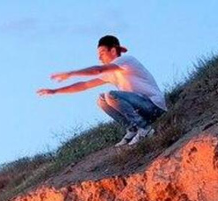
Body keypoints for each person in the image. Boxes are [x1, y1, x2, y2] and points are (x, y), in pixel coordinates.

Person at [37, 35, 167, 147]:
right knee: (102, 99)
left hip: (154, 106)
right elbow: (84, 85)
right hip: (143, 110)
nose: (100, 58)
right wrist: (55, 91)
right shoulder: (111, 73)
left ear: (113, 50)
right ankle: (133, 129)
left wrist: (71, 73)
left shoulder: (126, 60)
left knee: (110, 95)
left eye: (102, 53)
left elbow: (98, 70)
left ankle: (145, 129)